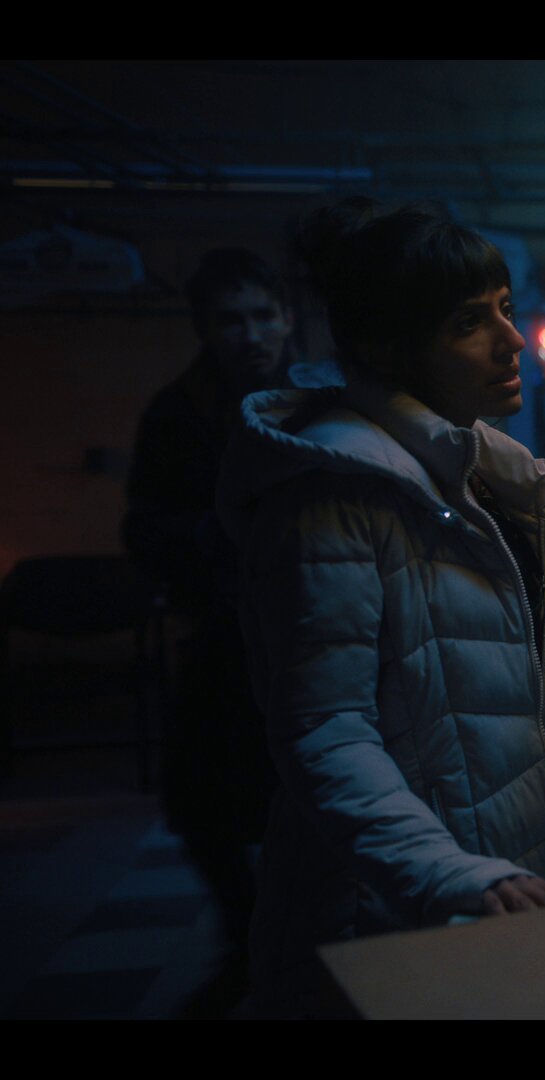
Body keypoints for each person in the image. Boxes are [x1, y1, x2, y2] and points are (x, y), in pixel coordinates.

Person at [217, 201, 545, 1015]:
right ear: (389, 349)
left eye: (506, 308)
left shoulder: (476, 471)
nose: (512, 340)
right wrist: (449, 871)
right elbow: (324, 730)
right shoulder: (332, 494)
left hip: (487, 884)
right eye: (468, 322)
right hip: (388, 910)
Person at [122, 248, 302, 1014]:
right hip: (226, 636)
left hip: (306, 633)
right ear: (204, 328)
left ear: (287, 318)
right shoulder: (179, 413)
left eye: (263, 315)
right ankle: (252, 947)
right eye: (232, 320)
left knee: (308, 800)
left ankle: (286, 955)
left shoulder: (312, 401)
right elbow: (144, 526)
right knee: (202, 805)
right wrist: (218, 540)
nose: (251, 334)